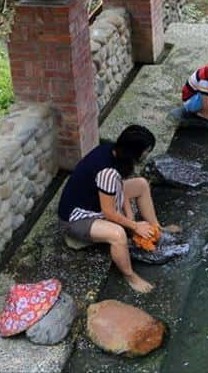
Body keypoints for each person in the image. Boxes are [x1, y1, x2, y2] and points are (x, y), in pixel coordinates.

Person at [57, 125, 173, 294]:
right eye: (146, 151)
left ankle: (157, 227)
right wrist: (134, 226)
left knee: (141, 184)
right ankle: (130, 275)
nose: (147, 154)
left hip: (95, 200)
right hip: (75, 219)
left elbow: (118, 188)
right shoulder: (108, 172)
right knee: (118, 235)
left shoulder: (113, 151)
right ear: (134, 151)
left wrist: (130, 216)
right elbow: (109, 213)